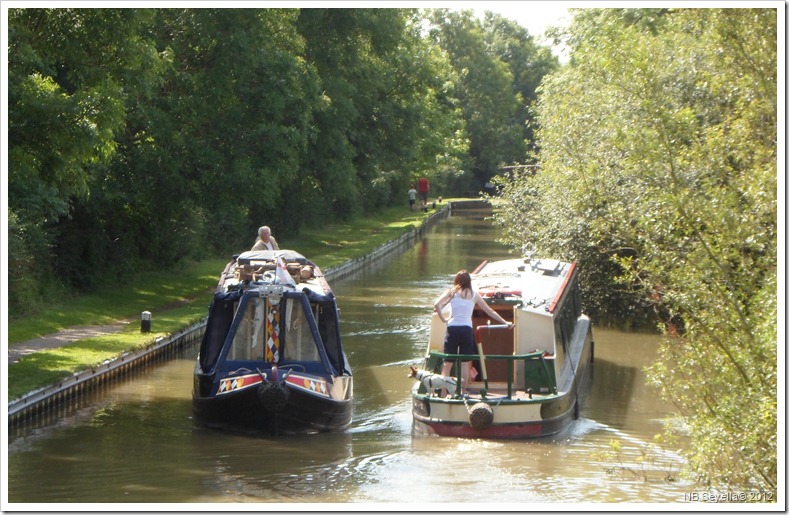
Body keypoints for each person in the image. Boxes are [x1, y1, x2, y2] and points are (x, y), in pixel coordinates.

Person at [434, 269, 513, 396]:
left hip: (452, 329)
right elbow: (490, 312)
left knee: (447, 364)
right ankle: (462, 392)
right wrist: (505, 322)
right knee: (465, 364)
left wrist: (445, 319)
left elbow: (437, 304)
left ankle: (443, 393)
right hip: (466, 330)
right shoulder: (474, 295)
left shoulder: (451, 292)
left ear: (457, 281)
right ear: (469, 282)